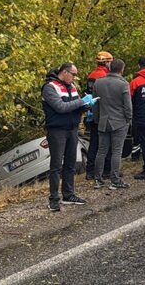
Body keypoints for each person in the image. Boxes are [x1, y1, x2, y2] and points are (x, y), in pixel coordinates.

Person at [41, 62, 94, 212]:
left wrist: (87, 105)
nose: (75, 78)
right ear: (64, 72)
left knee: (70, 163)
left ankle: (68, 194)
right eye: (73, 74)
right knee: (56, 165)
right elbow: (61, 107)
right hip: (57, 130)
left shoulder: (72, 87)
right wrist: (80, 102)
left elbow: (76, 106)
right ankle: (53, 199)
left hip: (72, 128)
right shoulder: (50, 87)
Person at [93, 58, 133, 190]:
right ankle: (115, 179)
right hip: (119, 121)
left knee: (101, 150)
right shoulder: (123, 84)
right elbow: (128, 106)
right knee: (117, 151)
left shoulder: (98, 83)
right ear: (122, 69)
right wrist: (128, 119)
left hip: (103, 121)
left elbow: (95, 104)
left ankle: (98, 179)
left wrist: (97, 119)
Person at [84, 51, 113, 180]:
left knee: (94, 143)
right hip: (104, 114)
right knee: (107, 142)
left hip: (92, 113)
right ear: (106, 62)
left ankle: (90, 171)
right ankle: (106, 170)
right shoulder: (105, 76)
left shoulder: (91, 75)